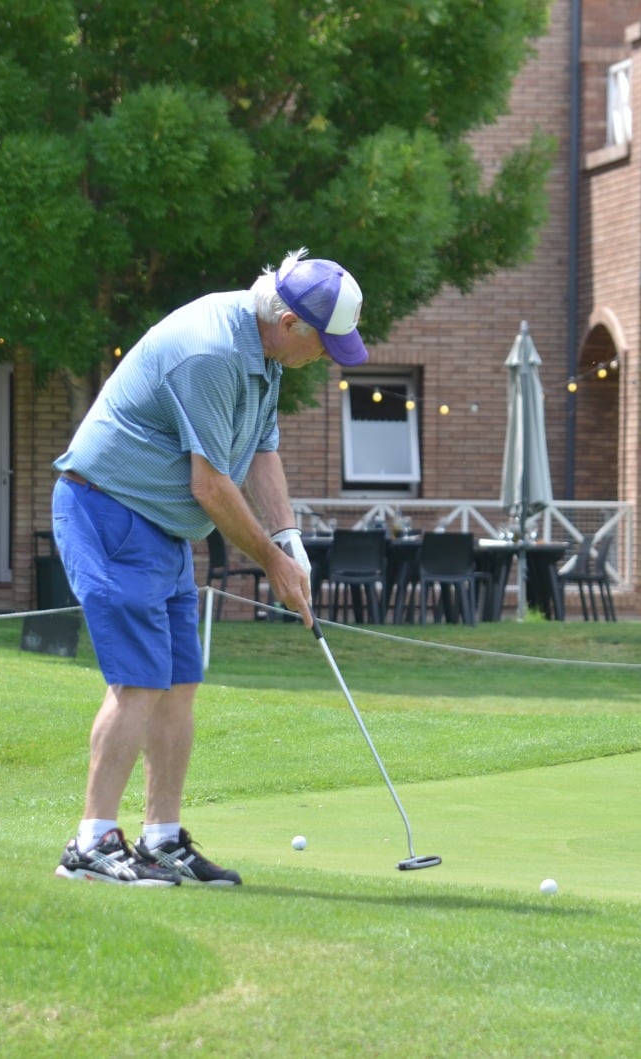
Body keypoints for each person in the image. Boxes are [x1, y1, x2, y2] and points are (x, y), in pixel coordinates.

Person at [49, 248, 369, 886]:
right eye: (325, 343)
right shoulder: (214, 353)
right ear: (289, 323)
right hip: (107, 509)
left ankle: (161, 841)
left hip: (160, 529)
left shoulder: (266, 355)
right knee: (139, 680)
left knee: (176, 682)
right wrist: (273, 565)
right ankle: (90, 844)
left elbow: (262, 451)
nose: (330, 356)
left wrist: (287, 536)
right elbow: (211, 486)